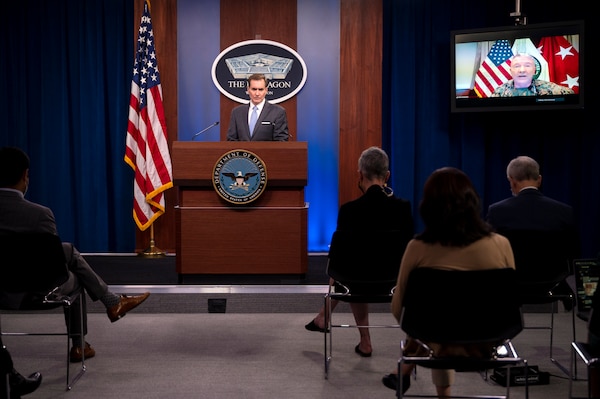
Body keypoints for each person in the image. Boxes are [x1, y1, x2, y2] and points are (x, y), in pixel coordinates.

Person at [0, 147, 150, 363]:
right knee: (75, 271)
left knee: (68, 253)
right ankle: (81, 343)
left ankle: (112, 304)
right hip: (37, 292)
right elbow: (52, 266)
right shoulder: (40, 214)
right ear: (25, 176)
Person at [382, 167, 515, 397]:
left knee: (432, 320)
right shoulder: (501, 244)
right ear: (473, 201)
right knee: (444, 319)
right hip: (487, 338)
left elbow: (399, 309)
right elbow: (511, 304)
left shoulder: (418, 248)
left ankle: (411, 371)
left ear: (428, 206)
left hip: (434, 336)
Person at [305, 146, 414, 357]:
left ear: (360, 174)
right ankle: (325, 318)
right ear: (387, 176)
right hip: (394, 280)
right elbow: (409, 247)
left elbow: (336, 259)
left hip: (356, 281)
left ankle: (360, 338)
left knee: (349, 269)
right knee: (354, 267)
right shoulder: (403, 208)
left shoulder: (348, 211)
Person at [486, 155, 579, 309]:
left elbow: (489, 254)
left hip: (510, 286)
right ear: (539, 180)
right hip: (552, 285)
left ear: (512, 181)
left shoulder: (497, 212)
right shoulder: (564, 212)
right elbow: (574, 254)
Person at [226, 73, 289, 141]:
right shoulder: (237, 112)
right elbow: (231, 140)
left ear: (266, 90)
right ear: (248, 89)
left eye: (260, 89)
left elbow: (281, 141)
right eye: (254, 89)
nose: (257, 94)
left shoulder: (278, 112)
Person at [491, 53, 575, 97]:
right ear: (510, 71)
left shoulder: (550, 89)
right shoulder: (500, 92)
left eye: (527, 65)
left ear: (534, 70)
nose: (522, 70)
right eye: (517, 66)